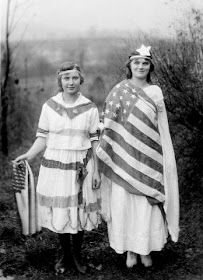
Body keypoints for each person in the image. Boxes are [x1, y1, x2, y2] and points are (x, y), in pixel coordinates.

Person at [13, 62, 101, 274]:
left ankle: (77, 254)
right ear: (60, 81)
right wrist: (29, 154)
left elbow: (95, 141)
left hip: (81, 165)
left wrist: (96, 169)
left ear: (81, 79)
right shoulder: (49, 106)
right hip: (55, 166)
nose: (70, 82)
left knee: (78, 210)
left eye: (74, 78)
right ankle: (65, 254)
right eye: (66, 78)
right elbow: (42, 138)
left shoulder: (90, 108)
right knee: (61, 209)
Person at [96, 45, 179, 268]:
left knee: (146, 205)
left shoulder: (156, 92)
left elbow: (162, 127)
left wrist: (166, 158)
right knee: (125, 204)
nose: (141, 66)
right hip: (124, 157)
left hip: (150, 157)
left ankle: (145, 250)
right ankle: (130, 251)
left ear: (150, 67)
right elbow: (110, 124)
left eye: (145, 63)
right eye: (136, 63)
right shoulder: (118, 91)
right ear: (129, 66)